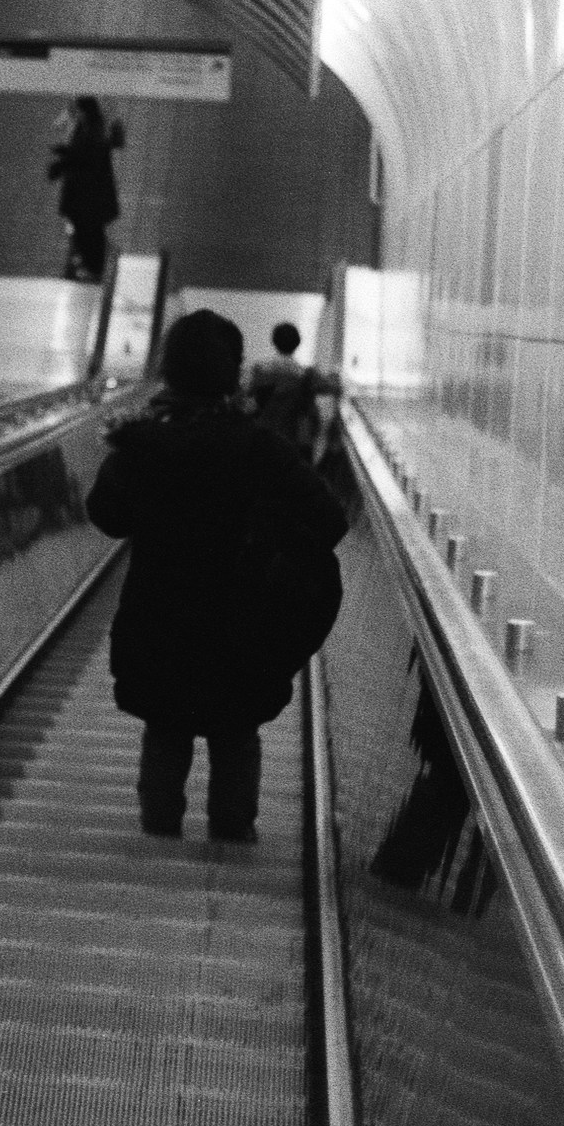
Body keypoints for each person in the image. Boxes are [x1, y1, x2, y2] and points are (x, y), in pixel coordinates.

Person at [85, 309, 348, 842]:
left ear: (169, 370)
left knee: (165, 731)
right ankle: (232, 838)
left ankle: (158, 838)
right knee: (235, 734)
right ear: (233, 374)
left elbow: (106, 516)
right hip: (242, 621)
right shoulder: (260, 449)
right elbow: (330, 521)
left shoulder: (142, 446)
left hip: (160, 618)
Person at [45, 95, 125, 282]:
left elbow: (87, 156)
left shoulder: (94, 129)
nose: (75, 114)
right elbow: (85, 152)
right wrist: (65, 153)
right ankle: (91, 266)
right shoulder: (90, 127)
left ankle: (94, 268)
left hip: (89, 196)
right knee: (87, 231)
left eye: (77, 110)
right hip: (86, 195)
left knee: (90, 232)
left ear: (84, 111)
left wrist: (63, 160)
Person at [244, 321, 339, 462]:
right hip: (293, 441)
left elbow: (249, 396)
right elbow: (333, 389)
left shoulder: (260, 370)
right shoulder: (307, 375)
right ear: (297, 343)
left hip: (262, 438)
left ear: (274, 341)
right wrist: (335, 377)